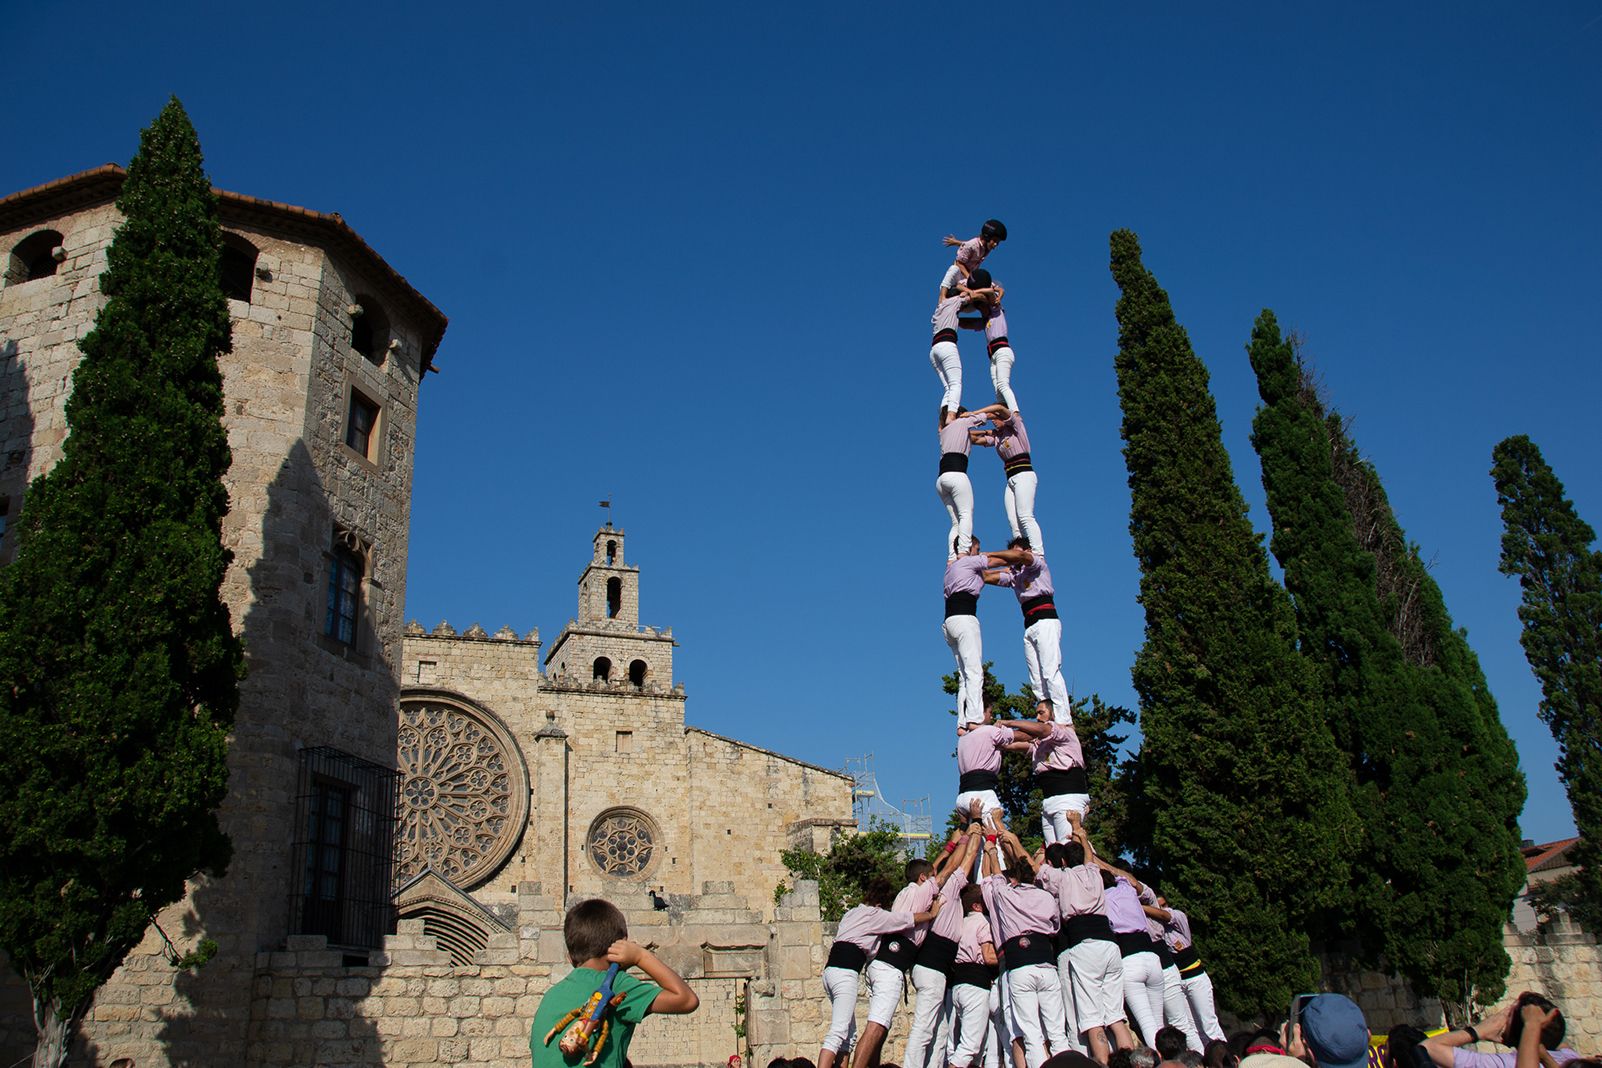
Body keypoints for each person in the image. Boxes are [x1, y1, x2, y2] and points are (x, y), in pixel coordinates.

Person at [529, 898, 699, 1068]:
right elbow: (686, 1000)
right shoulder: (616, 985)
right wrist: (641, 956)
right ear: (622, 945)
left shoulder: (550, 996)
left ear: (570, 957)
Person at [1037, 827, 1136, 1063]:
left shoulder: (1063, 877)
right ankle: (1131, 1063)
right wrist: (1080, 832)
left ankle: (1102, 1064)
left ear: (1061, 861)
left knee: (1092, 1018)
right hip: (1110, 945)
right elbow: (1089, 858)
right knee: (1115, 1016)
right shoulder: (1094, 872)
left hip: (1085, 946)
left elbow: (1037, 870)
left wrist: (1041, 852)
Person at [984, 814, 1072, 1068]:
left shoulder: (1005, 894)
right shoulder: (1045, 897)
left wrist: (991, 848)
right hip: (1046, 964)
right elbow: (1055, 926)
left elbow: (995, 877)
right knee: (1056, 1032)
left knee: (1031, 1034)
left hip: (1020, 966)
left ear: (1014, 879)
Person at [906, 813, 987, 1068]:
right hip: (932, 968)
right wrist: (976, 830)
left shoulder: (932, 889)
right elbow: (966, 859)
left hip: (934, 969)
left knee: (941, 1030)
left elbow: (946, 859)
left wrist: (961, 834)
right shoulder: (947, 889)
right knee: (924, 1027)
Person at [818, 878, 920, 1068]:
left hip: (830, 971)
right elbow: (906, 919)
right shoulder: (875, 915)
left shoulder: (851, 913)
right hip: (845, 972)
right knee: (838, 1031)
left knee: (849, 1034)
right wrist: (931, 913)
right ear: (880, 904)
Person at [853, 866, 948, 1068]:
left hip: (881, 966)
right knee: (876, 1027)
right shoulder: (916, 891)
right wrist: (931, 914)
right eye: (930, 875)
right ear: (923, 877)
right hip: (889, 968)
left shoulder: (904, 894)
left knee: (881, 1028)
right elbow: (909, 918)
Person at [947, 541, 1038, 728]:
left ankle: (962, 722)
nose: (979, 552)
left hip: (950, 621)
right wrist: (1010, 557)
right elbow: (994, 561)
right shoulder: (967, 562)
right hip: (964, 619)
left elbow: (991, 576)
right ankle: (974, 718)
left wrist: (1013, 571)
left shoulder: (955, 567)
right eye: (977, 549)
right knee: (974, 672)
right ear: (968, 547)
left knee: (964, 675)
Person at [984, 542, 1070, 719]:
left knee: (1050, 671)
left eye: (1014, 552)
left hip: (1046, 621)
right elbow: (987, 576)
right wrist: (972, 563)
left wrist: (989, 554)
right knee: (1037, 679)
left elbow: (1020, 557)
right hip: (1030, 626)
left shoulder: (1037, 563)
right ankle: (1045, 715)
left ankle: (1063, 718)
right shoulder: (1015, 576)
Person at [1003, 700, 1087, 847]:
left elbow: (1042, 730)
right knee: (1053, 853)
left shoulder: (1064, 732)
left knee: (1070, 850)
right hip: (1049, 801)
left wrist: (1009, 723)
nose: (1037, 717)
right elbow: (1012, 744)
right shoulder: (1040, 744)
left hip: (1067, 797)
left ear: (1054, 714)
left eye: (1041, 713)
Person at [955, 701, 1054, 823]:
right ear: (980, 713)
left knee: (972, 837)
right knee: (996, 837)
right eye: (990, 713)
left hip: (962, 797)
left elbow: (1011, 746)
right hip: (982, 795)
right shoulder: (989, 731)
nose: (991, 717)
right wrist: (1042, 730)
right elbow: (1022, 736)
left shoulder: (963, 738)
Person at [1422, 994, 1582, 1068]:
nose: (1503, 1013)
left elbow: (1428, 1048)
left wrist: (1478, 1031)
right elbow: (1552, 1032)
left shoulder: (1504, 1064)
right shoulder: (1570, 1057)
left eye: (1508, 1014)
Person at [938, 406, 1007, 559]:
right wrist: (974, 415)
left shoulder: (943, 431)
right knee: (966, 514)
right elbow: (989, 415)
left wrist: (985, 432)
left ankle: (951, 557)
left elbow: (972, 435)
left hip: (942, 479)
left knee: (956, 522)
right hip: (957, 474)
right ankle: (963, 552)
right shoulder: (962, 422)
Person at [1152, 899, 1223, 1044]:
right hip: (1178, 982)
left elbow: (1165, 915)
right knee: (1193, 1029)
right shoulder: (1155, 930)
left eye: (1163, 905)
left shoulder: (1177, 917)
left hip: (1195, 978)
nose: (1161, 909)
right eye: (1157, 906)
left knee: (1209, 1024)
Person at [949, 882, 1003, 1068]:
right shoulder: (983, 922)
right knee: (969, 1048)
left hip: (959, 986)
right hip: (976, 986)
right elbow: (988, 956)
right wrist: (1009, 956)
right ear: (977, 906)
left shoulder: (960, 922)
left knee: (975, 1049)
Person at [931, 296, 1003, 430]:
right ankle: (951, 416)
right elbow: (975, 295)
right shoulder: (954, 300)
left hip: (934, 349)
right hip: (947, 345)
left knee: (948, 388)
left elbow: (968, 323)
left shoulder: (940, 309)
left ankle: (942, 421)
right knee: (955, 384)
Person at [958, 269, 1019, 414]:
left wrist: (976, 292)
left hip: (1003, 351)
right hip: (993, 356)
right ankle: (1003, 412)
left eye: (981, 306)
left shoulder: (996, 311)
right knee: (998, 390)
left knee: (1003, 384)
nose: (980, 309)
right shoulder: (985, 321)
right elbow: (965, 324)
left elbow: (992, 294)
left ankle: (1015, 412)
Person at [983, 408, 1043, 555]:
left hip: (1024, 475)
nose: (993, 422)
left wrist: (976, 414)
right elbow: (977, 438)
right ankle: (1020, 553)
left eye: (995, 418)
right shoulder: (998, 436)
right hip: (1010, 479)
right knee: (1014, 522)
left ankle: (1038, 552)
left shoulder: (1016, 426)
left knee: (1025, 515)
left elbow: (1000, 409)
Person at [939, 220, 1008, 302]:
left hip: (971, 277)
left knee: (997, 284)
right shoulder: (972, 245)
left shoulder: (986, 248)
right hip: (960, 276)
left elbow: (968, 245)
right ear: (987, 237)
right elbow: (959, 263)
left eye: (998, 242)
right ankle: (942, 297)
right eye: (995, 241)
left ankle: (991, 306)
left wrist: (957, 242)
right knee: (953, 269)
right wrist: (970, 278)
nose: (996, 245)